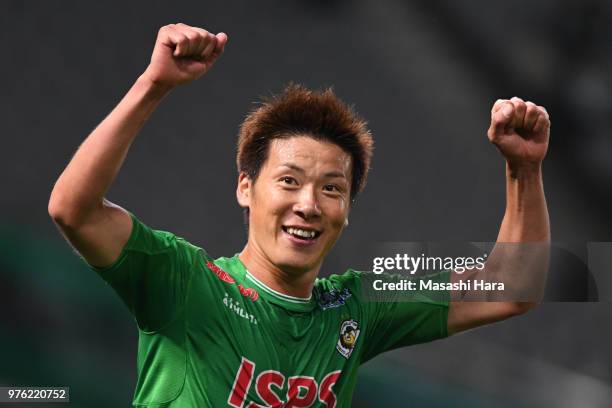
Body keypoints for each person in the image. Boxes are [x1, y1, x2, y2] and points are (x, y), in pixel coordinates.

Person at [48, 23, 551, 407]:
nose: (308, 204)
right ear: (246, 188)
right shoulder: (182, 282)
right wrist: (153, 84)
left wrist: (523, 169)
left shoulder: (357, 307)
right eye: (288, 181)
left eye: (332, 189)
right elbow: (74, 210)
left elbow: (512, 286)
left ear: (348, 208)